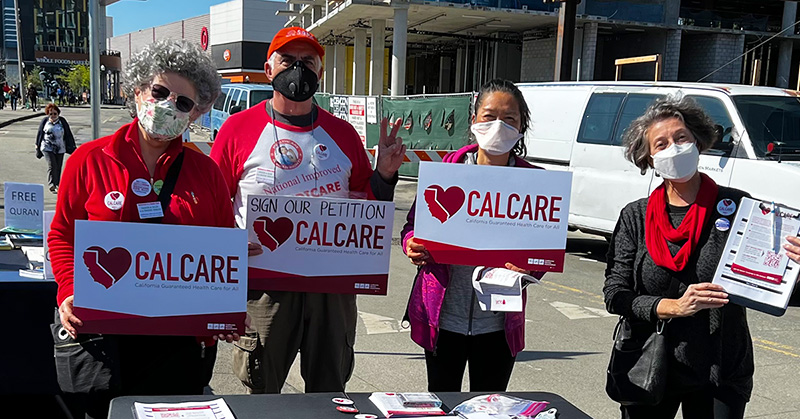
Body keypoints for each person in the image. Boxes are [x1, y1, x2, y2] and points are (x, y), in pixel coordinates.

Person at [210, 27, 406, 394]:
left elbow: (367, 204)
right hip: (264, 285)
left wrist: (384, 175)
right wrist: (225, 254)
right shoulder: (237, 129)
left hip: (332, 287)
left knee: (330, 388)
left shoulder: (343, 134)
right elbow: (214, 203)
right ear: (268, 70)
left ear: (319, 72)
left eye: (307, 62)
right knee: (262, 389)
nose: (297, 70)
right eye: (288, 61)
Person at [49, 39, 235, 419]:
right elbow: (62, 234)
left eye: (182, 103)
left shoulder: (207, 173)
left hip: (178, 342)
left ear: (195, 114)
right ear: (137, 91)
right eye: (160, 92)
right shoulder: (89, 159)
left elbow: (221, 248)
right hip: (104, 335)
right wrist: (68, 291)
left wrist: (226, 308)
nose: (168, 106)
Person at [602, 96, 784, 418]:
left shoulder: (737, 207)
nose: (674, 148)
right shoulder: (635, 217)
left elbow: (770, 280)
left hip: (721, 366)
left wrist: (792, 262)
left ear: (698, 141)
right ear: (649, 158)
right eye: (661, 144)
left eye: (681, 138)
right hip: (650, 362)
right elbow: (616, 294)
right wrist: (671, 307)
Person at [400, 79, 545, 392]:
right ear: (474, 121)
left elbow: (545, 250)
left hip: (498, 323)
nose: (498, 126)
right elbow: (412, 225)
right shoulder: (445, 173)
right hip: (443, 317)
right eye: (489, 116)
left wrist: (530, 268)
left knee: (491, 407)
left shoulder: (536, 184)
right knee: (441, 405)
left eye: (510, 119)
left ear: (522, 127)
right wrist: (411, 243)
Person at [35, 103, 76, 193]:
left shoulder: (62, 121)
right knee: (52, 164)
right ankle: (51, 184)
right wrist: (37, 145)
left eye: (55, 114)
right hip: (47, 146)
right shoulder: (45, 121)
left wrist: (72, 145)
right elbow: (40, 133)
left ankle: (57, 184)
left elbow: (68, 133)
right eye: (51, 114)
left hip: (60, 147)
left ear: (58, 114)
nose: (53, 116)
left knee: (58, 166)